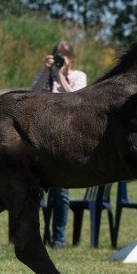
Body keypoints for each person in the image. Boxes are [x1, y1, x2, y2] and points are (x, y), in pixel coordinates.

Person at [30, 41, 87, 249]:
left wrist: (61, 75)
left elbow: (77, 100)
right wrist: (47, 72)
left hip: (65, 138)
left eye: (65, 56)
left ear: (71, 58)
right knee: (34, 190)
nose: (61, 59)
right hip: (41, 136)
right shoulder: (46, 73)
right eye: (58, 55)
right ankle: (35, 238)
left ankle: (58, 240)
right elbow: (31, 94)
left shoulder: (79, 76)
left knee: (61, 192)